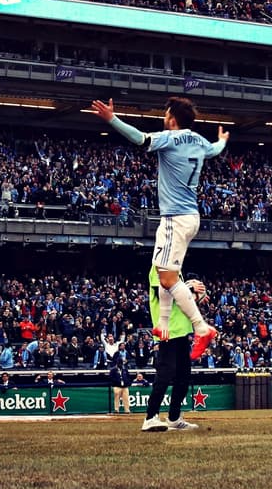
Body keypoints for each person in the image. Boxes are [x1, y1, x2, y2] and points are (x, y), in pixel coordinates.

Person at [92, 95, 228, 361]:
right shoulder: (200, 141)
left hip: (174, 219)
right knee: (162, 270)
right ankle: (163, 324)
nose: (163, 118)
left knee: (167, 279)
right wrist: (222, 140)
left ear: (172, 119)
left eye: (166, 115)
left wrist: (112, 119)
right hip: (190, 217)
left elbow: (140, 138)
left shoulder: (171, 138)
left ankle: (201, 328)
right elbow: (214, 149)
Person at [139, 268, 207, 432]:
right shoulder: (159, 267)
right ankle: (150, 417)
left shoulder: (177, 271)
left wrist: (192, 297)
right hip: (168, 331)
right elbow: (163, 291)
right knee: (165, 373)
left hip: (182, 331)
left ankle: (174, 417)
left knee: (184, 376)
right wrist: (189, 289)